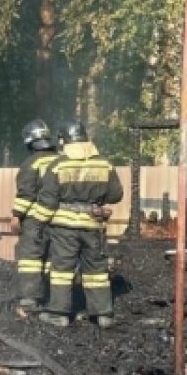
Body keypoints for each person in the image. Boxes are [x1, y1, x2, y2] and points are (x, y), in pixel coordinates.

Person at [37, 120, 123, 328]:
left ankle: (59, 313)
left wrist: (38, 223)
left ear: (64, 141)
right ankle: (103, 314)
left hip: (65, 228)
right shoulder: (104, 164)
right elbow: (116, 194)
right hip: (94, 226)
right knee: (96, 271)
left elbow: (48, 199)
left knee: (62, 270)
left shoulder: (58, 165)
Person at [11, 118, 59, 314]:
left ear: (29, 142)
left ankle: (30, 300)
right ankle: (53, 298)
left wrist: (16, 215)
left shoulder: (31, 163)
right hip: (60, 219)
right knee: (53, 259)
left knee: (30, 259)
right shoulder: (62, 161)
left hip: (35, 220)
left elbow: (27, 193)